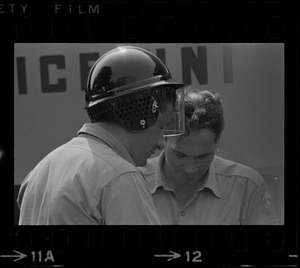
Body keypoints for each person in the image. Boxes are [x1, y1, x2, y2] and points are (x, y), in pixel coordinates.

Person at [17, 46, 187, 225]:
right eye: (161, 126)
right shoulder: (120, 176)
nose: (161, 143)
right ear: (142, 113)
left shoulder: (41, 171)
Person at [139, 87, 279, 225]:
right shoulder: (134, 183)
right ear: (163, 138)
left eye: (202, 157)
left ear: (216, 143)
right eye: (180, 155)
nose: (190, 169)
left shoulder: (248, 188)